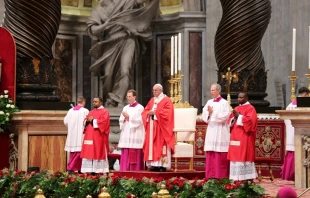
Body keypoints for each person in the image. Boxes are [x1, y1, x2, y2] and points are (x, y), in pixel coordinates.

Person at [86, 0, 160, 107]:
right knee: (107, 74)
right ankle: (111, 99)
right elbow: (93, 29)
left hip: (128, 39)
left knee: (125, 70)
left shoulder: (128, 1)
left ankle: (120, 99)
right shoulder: (99, 10)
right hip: (109, 43)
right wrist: (105, 25)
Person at [142, 84, 174, 172]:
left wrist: (155, 113)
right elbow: (146, 110)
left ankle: (162, 165)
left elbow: (168, 113)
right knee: (152, 146)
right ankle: (153, 165)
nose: (154, 92)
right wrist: (148, 113)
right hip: (151, 127)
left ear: (160, 90)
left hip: (161, 128)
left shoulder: (166, 100)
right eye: (153, 90)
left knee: (160, 145)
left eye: (155, 90)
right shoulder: (152, 100)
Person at [202, 83, 230, 179]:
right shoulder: (209, 102)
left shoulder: (224, 103)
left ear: (218, 91)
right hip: (211, 129)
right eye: (210, 90)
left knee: (219, 152)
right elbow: (204, 114)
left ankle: (219, 176)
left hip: (220, 130)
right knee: (210, 152)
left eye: (213, 90)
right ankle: (210, 175)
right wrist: (209, 114)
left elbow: (225, 116)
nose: (211, 92)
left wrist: (213, 113)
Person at [227, 92, 258, 181]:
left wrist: (239, 116)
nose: (239, 99)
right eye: (238, 97)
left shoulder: (251, 108)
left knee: (242, 156)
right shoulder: (236, 108)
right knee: (235, 157)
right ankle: (234, 178)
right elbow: (230, 120)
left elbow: (251, 122)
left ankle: (245, 178)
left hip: (244, 136)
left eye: (241, 97)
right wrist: (234, 118)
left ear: (246, 98)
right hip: (235, 136)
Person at [281, 87, 310, 181]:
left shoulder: (290, 105)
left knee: (292, 152)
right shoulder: (300, 105)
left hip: (291, 132)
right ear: (305, 94)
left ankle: (289, 176)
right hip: (299, 132)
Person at [80, 97, 110, 174]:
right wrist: (87, 121)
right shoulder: (91, 111)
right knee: (89, 152)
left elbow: (104, 123)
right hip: (89, 136)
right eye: (93, 102)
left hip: (98, 137)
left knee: (97, 151)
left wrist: (93, 120)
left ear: (101, 102)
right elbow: (85, 121)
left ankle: (98, 170)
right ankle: (89, 170)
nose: (94, 103)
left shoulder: (105, 112)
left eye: (96, 102)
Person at [118, 89, 145, 171]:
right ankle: (124, 170)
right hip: (126, 132)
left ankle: (135, 170)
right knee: (126, 151)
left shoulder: (140, 108)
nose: (128, 98)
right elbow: (120, 120)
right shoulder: (125, 107)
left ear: (134, 97)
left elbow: (140, 120)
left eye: (130, 96)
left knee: (134, 152)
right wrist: (124, 119)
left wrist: (129, 117)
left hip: (135, 133)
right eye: (127, 96)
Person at [64, 96, 89, 172]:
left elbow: (65, 121)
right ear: (84, 102)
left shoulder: (70, 110)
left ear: (77, 102)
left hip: (72, 135)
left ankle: (74, 168)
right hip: (80, 136)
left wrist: (71, 128)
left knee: (73, 153)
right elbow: (87, 123)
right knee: (79, 153)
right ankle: (71, 168)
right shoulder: (85, 111)